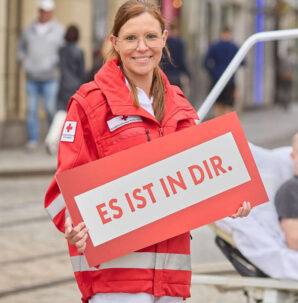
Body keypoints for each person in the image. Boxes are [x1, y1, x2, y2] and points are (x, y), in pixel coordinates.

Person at [42, 1, 251, 302]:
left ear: (164, 39)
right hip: (116, 282)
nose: (142, 47)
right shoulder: (89, 104)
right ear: (114, 42)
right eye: (130, 38)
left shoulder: (180, 105)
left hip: (171, 282)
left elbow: (197, 185)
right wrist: (72, 224)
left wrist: (229, 200)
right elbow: (62, 191)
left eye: (151, 37)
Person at [18, 0, 64, 149]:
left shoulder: (59, 30)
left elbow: (62, 52)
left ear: (51, 12)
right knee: (31, 109)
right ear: (39, 11)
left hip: (50, 77)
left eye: (47, 11)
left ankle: (51, 139)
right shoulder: (28, 29)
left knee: (50, 108)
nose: (44, 14)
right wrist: (23, 61)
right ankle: (33, 139)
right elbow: (20, 48)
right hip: (32, 76)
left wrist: (54, 62)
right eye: (42, 11)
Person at [203, 27, 240, 117]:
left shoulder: (215, 46)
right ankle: (227, 129)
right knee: (228, 105)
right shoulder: (234, 47)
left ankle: (218, 129)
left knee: (217, 105)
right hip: (230, 80)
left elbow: (205, 62)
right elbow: (242, 62)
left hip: (217, 79)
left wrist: (214, 72)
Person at [57, 24, 85, 112]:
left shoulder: (61, 50)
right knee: (73, 111)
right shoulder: (79, 52)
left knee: (61, 113)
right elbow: (81, 71)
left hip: (63, 84)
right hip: (75, 85)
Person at [160, 19, 189, 90]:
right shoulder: (180, 43)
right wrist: (187, 74)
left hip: (164, 75)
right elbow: (181, 61)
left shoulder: (164, 42)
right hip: (176, 76)